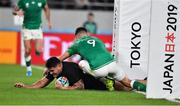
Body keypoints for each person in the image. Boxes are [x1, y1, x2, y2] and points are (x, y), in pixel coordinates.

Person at [59, 27, 146, 92]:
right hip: (113, 64)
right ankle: (146, 88)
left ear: (76, 37)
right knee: (128, 82)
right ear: (87, 34)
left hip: (100, 71)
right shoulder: (98, 40)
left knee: (81, 63)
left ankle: (106, 79)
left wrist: (49, 66)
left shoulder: (77, 44)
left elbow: (60, 59)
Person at [14, 57, 131, 91]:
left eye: (52, 70)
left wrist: (63, 88)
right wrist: (26, 86)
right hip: (95, 83)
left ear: (59, 65)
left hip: (100, 83)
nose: (50, 73)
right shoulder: (55, 71)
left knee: (126, 87)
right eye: (49, 71)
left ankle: (140, 85)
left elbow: (81, 86)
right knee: (127, 86)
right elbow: (42, 82)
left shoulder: (69, 69)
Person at [13, 0, 52, 77]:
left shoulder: (42, 1)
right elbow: (14, 11)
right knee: (28, 50)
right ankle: (28, 68)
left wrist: (49, 21)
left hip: (37, 28)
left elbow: (46, 9)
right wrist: (16, 13)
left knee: (38, 51)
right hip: (26, 28)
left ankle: (38, 49)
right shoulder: (23, 1)